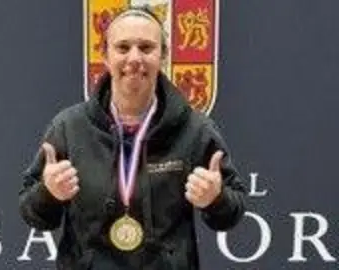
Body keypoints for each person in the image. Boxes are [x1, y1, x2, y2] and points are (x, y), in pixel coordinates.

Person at [19, 5, 246, 270]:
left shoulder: (196, 130)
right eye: (123, 48)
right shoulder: (69, 128)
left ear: (163, 56)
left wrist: (215, 199)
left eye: (146, 48)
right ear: (105, 56)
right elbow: (34, 214)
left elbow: (232, 213)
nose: (134, 58)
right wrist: (49, 193)